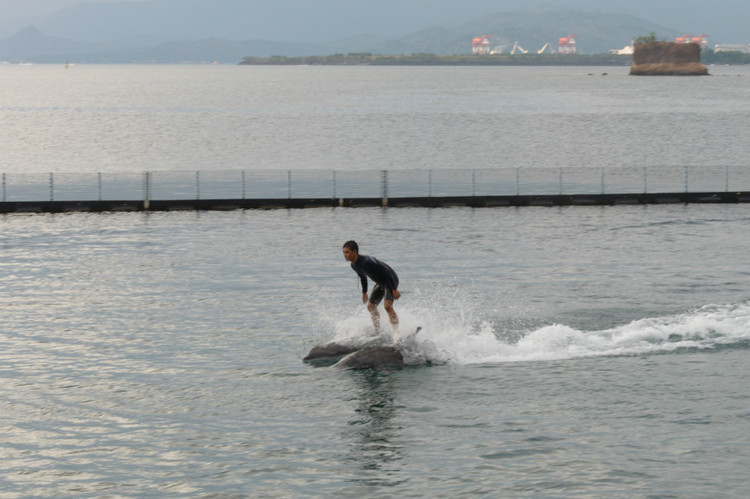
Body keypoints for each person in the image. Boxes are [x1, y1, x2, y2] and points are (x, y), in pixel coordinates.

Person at [342, 240, 401, 338]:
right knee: (371, 307)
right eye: (344, 252)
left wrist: (394, 289)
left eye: (347, 252)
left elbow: (387, 271)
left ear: (355, 252)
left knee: (387, 306)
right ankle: (378, 332)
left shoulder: (367, 262)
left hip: (390, 279)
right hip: (380, 283)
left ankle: (397, 334)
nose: (345, 255)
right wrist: (364, 293)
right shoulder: (353, 265)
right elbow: (362, 277)